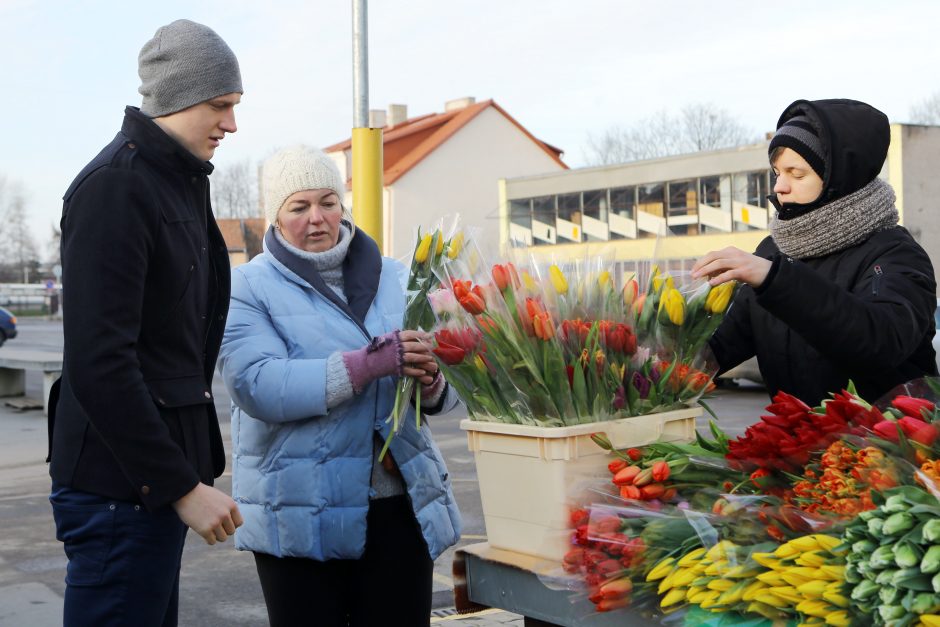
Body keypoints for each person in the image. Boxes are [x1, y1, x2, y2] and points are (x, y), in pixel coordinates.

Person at [48, 19, 244, 626]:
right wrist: (181, 487)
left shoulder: (176, 181)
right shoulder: (118, 187)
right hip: (119, 489)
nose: (231, 124)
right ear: (178, 96)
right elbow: (100, 362)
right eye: (220, 105)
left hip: (146, 487)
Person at [218, 145, 462, 626]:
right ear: (275, 215)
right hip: (299, 510)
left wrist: (432, 377)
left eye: (328, 202)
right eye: (299, 206)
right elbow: (257, 384)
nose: (317, 218)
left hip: (398, 506)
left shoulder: (399, 276)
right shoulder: (246, 286)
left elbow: (451, 386)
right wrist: (366, 365)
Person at [692, 98, 938, 406]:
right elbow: (718, 350)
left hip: (889, 447)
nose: (780, 187)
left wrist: (773, 279)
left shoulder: (894, 253)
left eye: (796, 173)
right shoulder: (774, 251)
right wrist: (649, 349)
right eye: (777, 172)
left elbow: (881, 341)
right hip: (801, 448)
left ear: (840, 178)